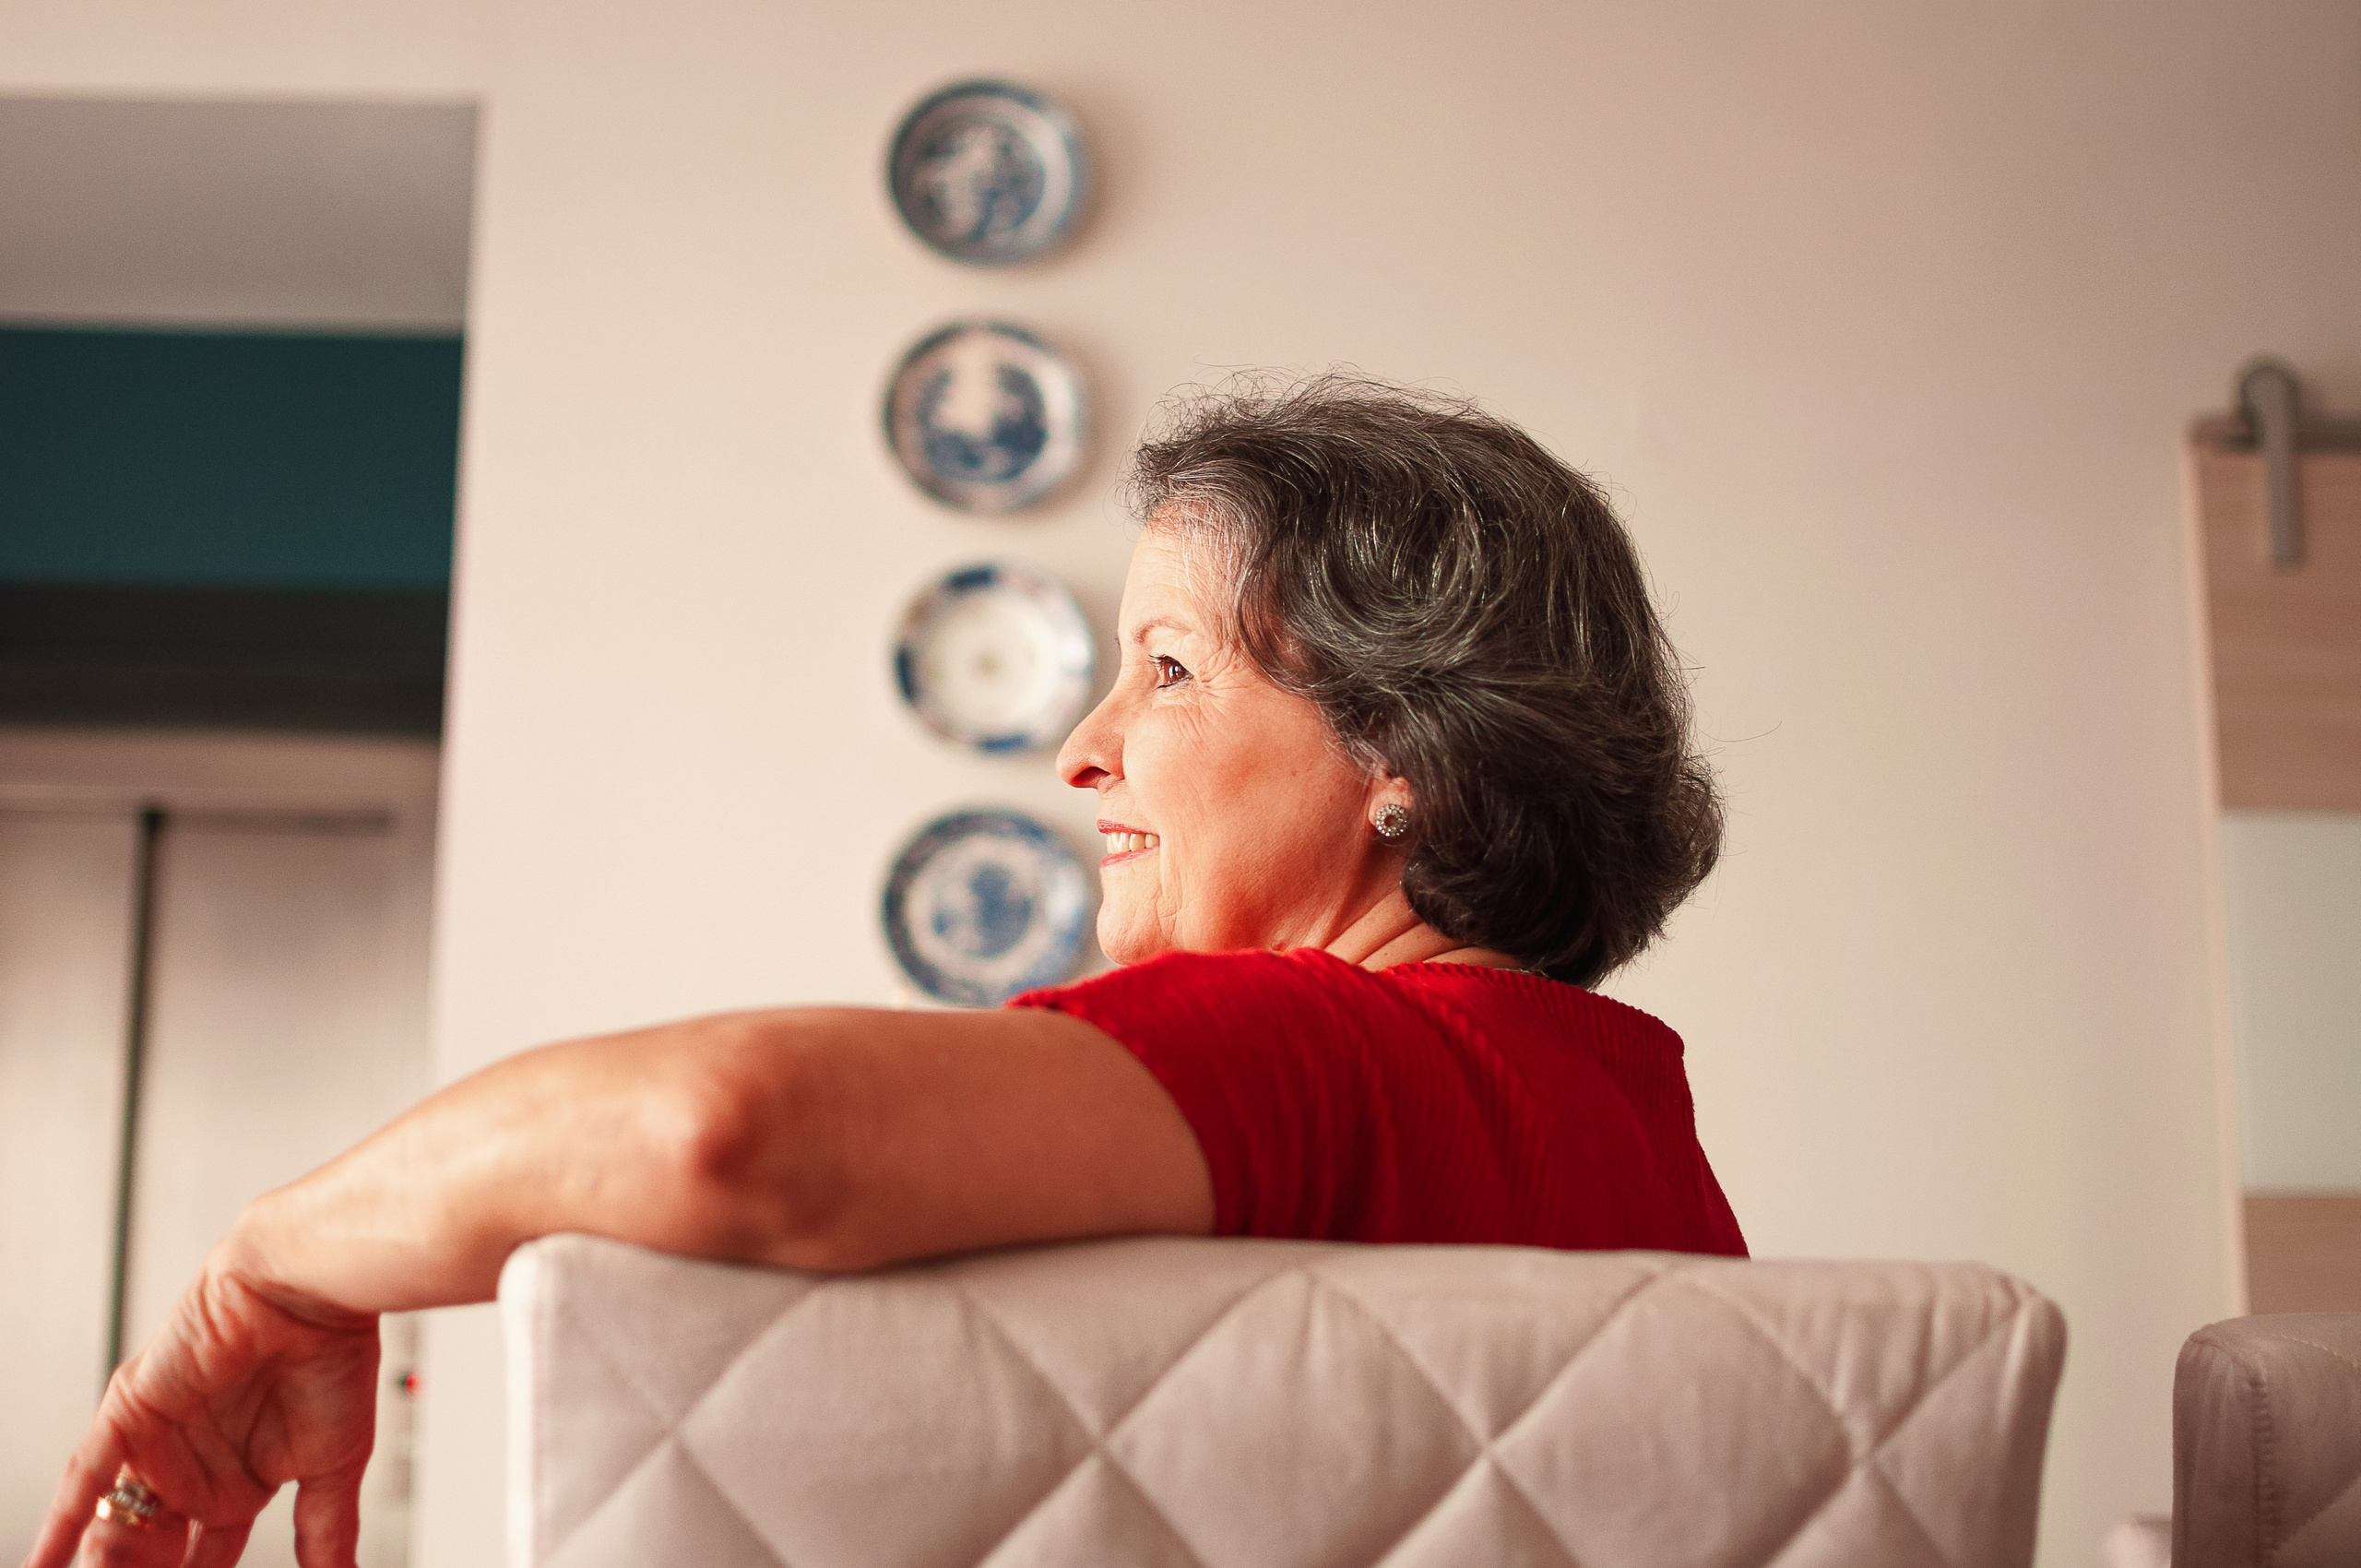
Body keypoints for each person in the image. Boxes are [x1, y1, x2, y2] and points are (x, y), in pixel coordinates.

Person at [30, 375, 1741, 1568]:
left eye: (1166, 671)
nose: (1082, 750)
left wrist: (270, 1268)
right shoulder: (1630, 1113)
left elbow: (727, 1129)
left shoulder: (1332, 1053)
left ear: (1407, 757)